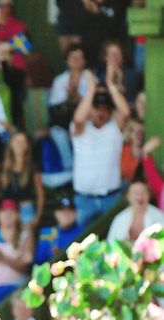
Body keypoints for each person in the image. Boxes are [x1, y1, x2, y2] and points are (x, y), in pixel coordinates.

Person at [71, 71, 130, 227]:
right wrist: (91, 90)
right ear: (90, 107)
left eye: (105, 108)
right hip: (84, 199)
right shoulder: (79, 128)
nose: (101, 112)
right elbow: (78, 118)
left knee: (112, 244)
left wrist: (110, 84)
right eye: (96, 107)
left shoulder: (114, 128)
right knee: (83, 247)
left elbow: (125, 112)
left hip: (111, 197)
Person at [34, 195, 83, 265]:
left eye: (70, 210)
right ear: (55, 214)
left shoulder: (82, 231)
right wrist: (50, 253)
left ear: (75, 213)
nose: (66, 214)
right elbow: (38, 259)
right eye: (62, 211)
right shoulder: (48, 232)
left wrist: (63, 253)